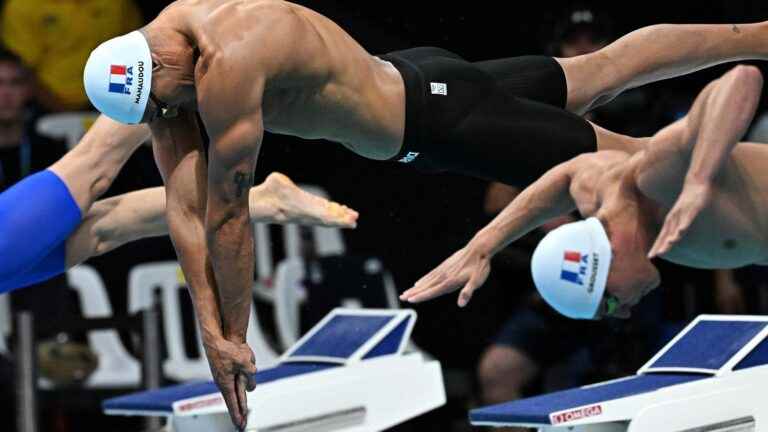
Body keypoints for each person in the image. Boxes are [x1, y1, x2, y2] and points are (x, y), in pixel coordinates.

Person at [83, 0, 768, 426]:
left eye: (164, 104)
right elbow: (182, 202)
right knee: (601, 72)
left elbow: (225, 213)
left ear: (164, 67)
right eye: (155, 115)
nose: (169, 118)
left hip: (438, 125)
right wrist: (212, 329)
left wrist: (230, 329)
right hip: (423, 79)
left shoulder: (226, 70)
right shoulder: (170, 38)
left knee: (642, 172)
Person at [401, 64, 765, 324]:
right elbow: (566, 176)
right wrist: (481, 246)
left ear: (603, 260)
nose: (622, 312)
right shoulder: (600, 191)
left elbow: (741, 80)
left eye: (607, 304)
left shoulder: (658, 182)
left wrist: (699, 179)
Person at [1, 0, 144, 110]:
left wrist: (116, 102)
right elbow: (20, 67)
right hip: (44, 105)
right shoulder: (23, 6)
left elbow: (131, 52)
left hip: (112, 102)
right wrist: (53, 105)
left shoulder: (118, 4)